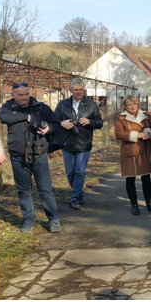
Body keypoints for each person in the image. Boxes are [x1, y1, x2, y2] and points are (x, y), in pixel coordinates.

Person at [0, 82, 61, 233]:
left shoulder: (41, 107)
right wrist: (26, 117)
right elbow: (4, 118)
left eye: (26, 94)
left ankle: (53, 219)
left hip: (39, 154)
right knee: (24, 190)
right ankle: (28, 219)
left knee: (45, 189)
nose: (24, 97)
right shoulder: (7, 108)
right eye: (20, 95)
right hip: (18, 155)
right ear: (13, 95)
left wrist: (48, 128)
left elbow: (56, 124)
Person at [54, 78, 103, 210]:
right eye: (76, 90)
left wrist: (90, 122)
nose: (79, 92)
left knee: (80, 172)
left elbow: (99, 122)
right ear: (70, 90)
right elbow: (53, 121)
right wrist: (61, 123)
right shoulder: (62, 105)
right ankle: (79, 193)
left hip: (84, 143)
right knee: (70, 173)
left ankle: (74, 197)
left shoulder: (91, 105)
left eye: (81, 89)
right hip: (67, 144)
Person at [114, 96, 151, 215]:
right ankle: (134, 204)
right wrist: (136, 135)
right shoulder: (121, 118)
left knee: (146, 178)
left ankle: (149, 202)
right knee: (130, 178)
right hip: (130, 151)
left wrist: (149, 132)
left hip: (145, 150)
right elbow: (119, 134)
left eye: (134, 104)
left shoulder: (146, 116)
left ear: (138, 105)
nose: (133, 107)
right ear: (125, 107)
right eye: (129, 105)